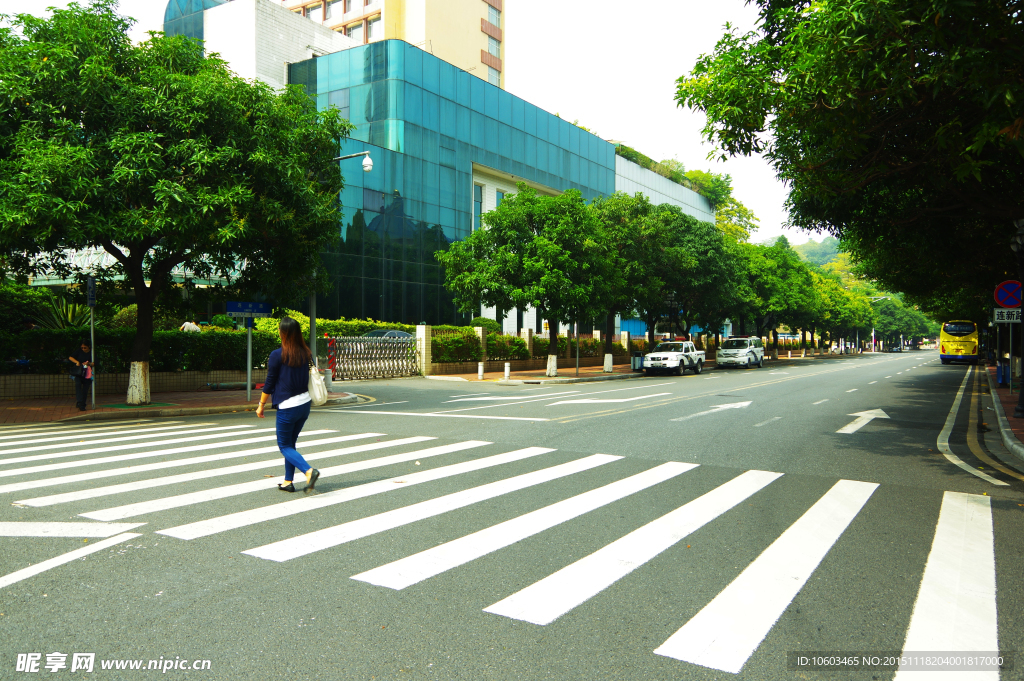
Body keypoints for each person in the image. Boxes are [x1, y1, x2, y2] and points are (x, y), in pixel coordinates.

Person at [257, 316, 320, 493]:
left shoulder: (277, 355)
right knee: (290, 445)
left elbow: (269, 383)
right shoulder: (306, 352)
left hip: (287, 406)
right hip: (304, 405)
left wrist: (261, 404)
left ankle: (309, 471)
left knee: (284, 446)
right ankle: (287, 481)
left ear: (283, 333)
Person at [68, 340, 94, 411]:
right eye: (82, 347)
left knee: (85, 390)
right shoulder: (79, 351)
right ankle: (79, 401)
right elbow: (70, 357)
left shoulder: (92, 353)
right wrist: (77, 362)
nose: (83, 349)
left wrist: (89, 364)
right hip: (79, 373)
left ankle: (82, 405)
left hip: (87, 374)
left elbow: (95, 363)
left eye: (85, 348)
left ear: (88, 347)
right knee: (78, 385)